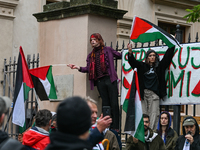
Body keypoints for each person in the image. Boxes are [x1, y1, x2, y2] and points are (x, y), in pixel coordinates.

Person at [68, 33, 121, 131]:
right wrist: (77, 67)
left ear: (99, 40)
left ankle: (116, 127)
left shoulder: (108, 50)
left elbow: (120, 55)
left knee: (114, 103)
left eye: (95, 40)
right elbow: (88, 68)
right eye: (91, 40)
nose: (92, 41)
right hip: (100, 81)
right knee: (105, 104)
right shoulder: (90, 55)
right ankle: (107, 125)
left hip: (110, 79)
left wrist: (129, 52)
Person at [127, 43, 175, 129]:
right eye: (150, 55)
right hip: (143, 94)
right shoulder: (142, 66)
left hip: (154, 94)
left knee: (154, 114)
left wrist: (171, 45)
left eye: (154, 55)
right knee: (143, 114)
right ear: (147, 57)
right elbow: (133, 63)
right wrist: (130, 53)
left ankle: (151, 133)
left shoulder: (159, 66)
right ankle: (143, 132)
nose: (152, 57)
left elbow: (167, 58)